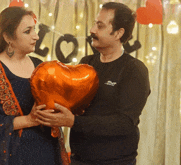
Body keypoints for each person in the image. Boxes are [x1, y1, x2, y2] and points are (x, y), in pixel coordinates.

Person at [35, 2, 151, 165]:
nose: (92, 30)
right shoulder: (86, 63)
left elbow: (124, 123)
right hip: (78, 159)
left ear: (118, 33)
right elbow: (72, 104)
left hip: (115, 161)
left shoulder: (134, 70)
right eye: (95, 24)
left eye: (100, 25)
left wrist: (74, 122)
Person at [0, 6, 67, 165]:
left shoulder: (41, 66)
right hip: (9, 157)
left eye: (35, 30)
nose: (36, 36)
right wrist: (28, 120)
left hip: (45, 152)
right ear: (8, 37)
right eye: (28, 31)